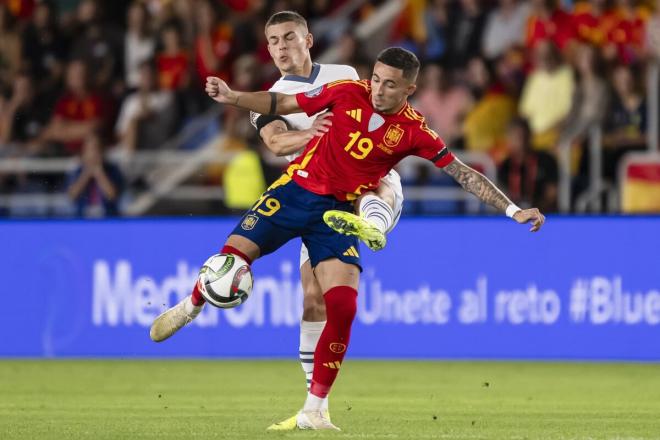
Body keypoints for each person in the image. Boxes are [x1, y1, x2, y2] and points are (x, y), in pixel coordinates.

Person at [168, 46, 546, 430]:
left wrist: (513, 210)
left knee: (344, 306)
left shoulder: (415, 131)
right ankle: (193, 304)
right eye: (377, 79)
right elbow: (282, 102)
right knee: (231, 259)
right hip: (294, 191)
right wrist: (233, 97)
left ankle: (314, 410)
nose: (378, 90)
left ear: (410, 89)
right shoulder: (348, 90)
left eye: (390, 85)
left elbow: (464, 174)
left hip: (336, 214)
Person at [151, 11, 406, 431]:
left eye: (289, 37)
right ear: (268, 49)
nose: (282, 46)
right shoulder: (267, 98)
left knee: (372, 203)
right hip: (303, 192)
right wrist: (313, 135)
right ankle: (191, 304)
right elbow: (274, 142)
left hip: (345, 193)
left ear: (308, 39)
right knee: (306, 297)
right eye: (273, 41)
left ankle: (315, 408)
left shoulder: (344, 75)